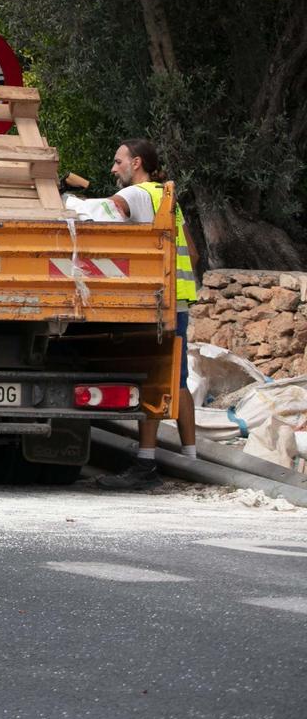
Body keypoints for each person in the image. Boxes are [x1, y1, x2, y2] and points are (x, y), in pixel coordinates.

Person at [95, 137, 200, 490]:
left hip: (156, 303)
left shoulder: (139, 195)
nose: (114, 169)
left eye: (118, 161)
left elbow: (102, 213)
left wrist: (64, 202)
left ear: (136, 163)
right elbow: (194, 256)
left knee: (151, 377)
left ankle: (146, 462)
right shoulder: (169, 199)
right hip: (179, 301)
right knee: (178, 379)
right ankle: (190, 459)